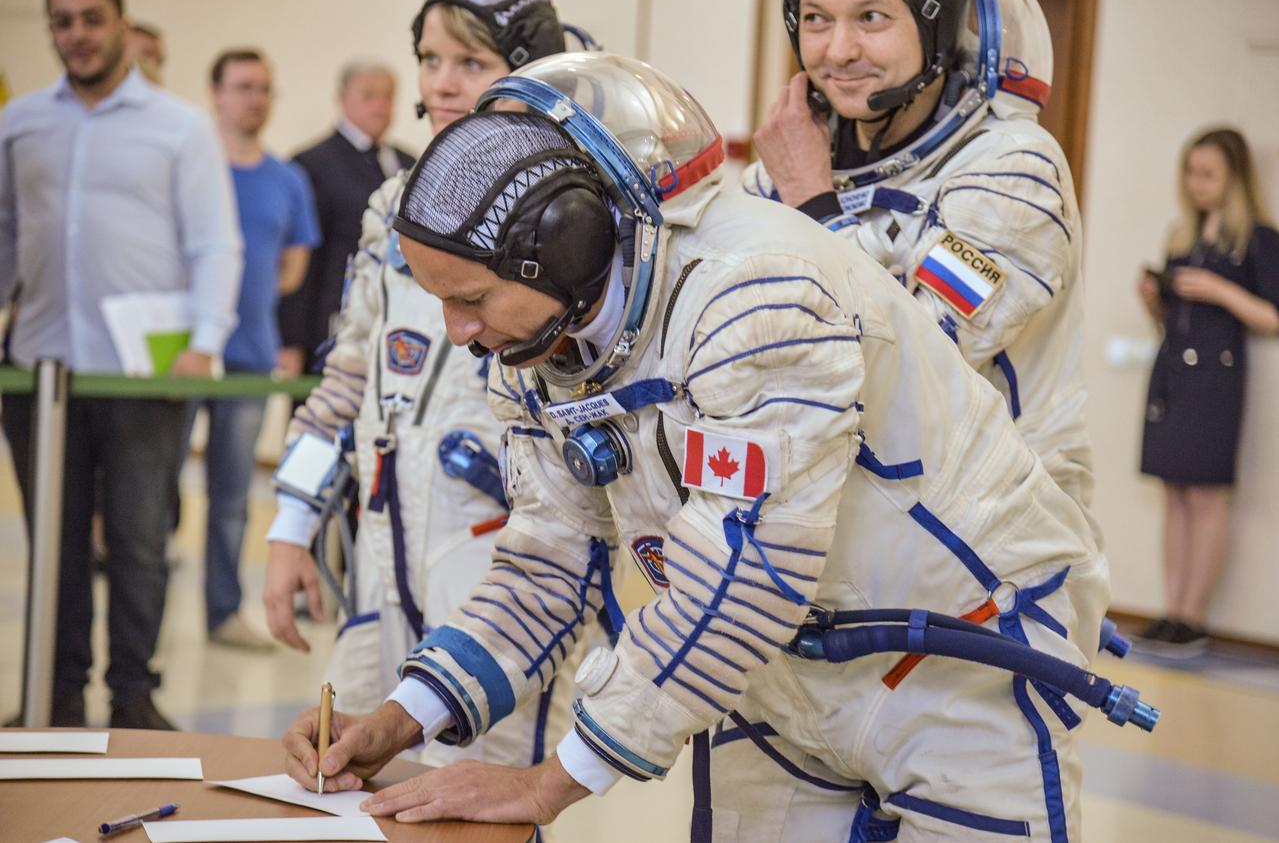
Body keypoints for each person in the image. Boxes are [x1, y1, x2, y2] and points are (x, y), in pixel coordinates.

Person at [278, 54, 1141, 842]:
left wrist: (549, 782)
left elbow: (744, 574)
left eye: (469, 298)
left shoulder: (757, 289)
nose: (455, 333)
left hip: (953, 656)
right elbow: (544, 564)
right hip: (771, 670)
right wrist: (400, 716)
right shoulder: (540, 342)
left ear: (565, 246)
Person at [263, 0, 578, 774]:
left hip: (499, 563)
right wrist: (291, 525)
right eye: (430, 61)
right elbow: (345, 380)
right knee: (356, 773)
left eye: (469, 63)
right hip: (383, 545)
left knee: (477, 791)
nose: (440, 83)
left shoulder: (568, 222)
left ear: (528, 76)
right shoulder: (388, 210)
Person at [746, 0, 1097, 539]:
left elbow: (912, 369)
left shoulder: (1014, 170)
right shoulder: (785, 171)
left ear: (940, 26)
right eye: (816, 19)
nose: (838, 51)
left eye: (870, 17)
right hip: (830, 529)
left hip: (988, 549)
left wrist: (815, 205)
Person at [0, 0, 241, 728]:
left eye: (90, 19)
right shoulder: (20, 122)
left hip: (147, 371)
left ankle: (134, 696)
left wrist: (205, 343)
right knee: (56, 542)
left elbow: (213, 243)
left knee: (138, 540)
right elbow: (7, 233)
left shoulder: (179, 127)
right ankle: (56, 694)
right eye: (61, 21)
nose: (76, 35)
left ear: (121, 26)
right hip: (41, 370)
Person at [187, 48, 319, 650]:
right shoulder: (191, 166)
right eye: (242, 87)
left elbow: (294, 265)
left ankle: (221, 613)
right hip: (182, 356)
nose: (254, 99)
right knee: (152, 492)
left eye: (264, 89)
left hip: (250, 355)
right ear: (215, 93)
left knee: (232, 495)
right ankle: (148, 618)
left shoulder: (287, 179)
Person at [1136, 128, 1279, 651]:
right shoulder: (1183, 236)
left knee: (1206, 496)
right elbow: (1170, 322)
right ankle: (1171, 609)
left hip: (1217, 380)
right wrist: (1154, 299)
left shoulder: (1257, 239)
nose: (1196, 184)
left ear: (1234, 178)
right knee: (1173, 492)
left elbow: (1271, 316)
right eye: (1190, 173)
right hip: (1172, 374)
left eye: (1208, 173)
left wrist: (1221, 290)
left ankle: (1195, 616)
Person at [277, 61, 414, 377]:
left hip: (395, 324)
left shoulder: (409, 162)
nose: (380, 105)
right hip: (329, 326)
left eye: (387, 96)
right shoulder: (311, 165)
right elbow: (302, 260)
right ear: (342, 99)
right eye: (368, 95)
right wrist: (292, 340)